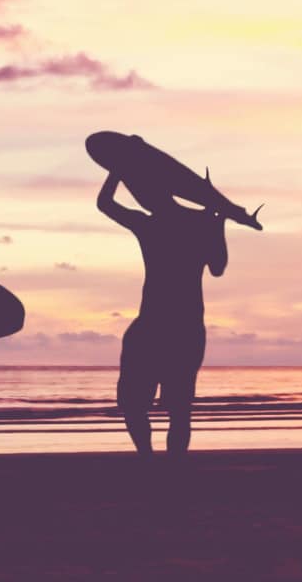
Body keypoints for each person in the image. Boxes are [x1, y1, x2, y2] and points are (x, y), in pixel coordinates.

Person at [96, 171, 231, 455]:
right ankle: (160, 463)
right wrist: (217, 224)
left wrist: (118, 170)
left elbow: (105, 203)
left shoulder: (149, 224)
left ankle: (151, 459)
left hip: (162, 327)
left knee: (161, 407)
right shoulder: (195, 224)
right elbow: (218, 267)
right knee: (173, 408)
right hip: (180, 328)